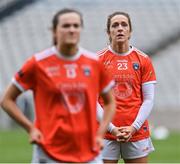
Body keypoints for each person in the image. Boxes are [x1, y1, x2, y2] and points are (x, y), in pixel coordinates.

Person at [0, 8, 116, 163]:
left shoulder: (94, 63)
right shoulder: (38, 63)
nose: (71, 30)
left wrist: (100, 134)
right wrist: (31, 128)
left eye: (76, 26)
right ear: (54, 31)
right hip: (49, 150)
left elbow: (110, 102)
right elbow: (7, 100)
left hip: (89, 151)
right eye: (66, 26)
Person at [97, 11, 157, 163]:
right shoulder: (97, 60)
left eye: (124, 25)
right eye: (115, 25)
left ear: (130, 31)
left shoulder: (143, 59)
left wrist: (134, 127)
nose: (120, 28)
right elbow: (92, 100)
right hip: (105, 132)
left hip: (136, 131)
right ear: (108, 32)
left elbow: (149, 99)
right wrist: (112, 128)